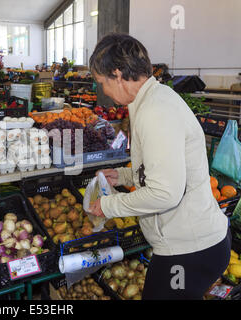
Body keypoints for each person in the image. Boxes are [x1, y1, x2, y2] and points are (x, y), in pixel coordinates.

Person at [88, 33, 230, 300]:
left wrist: (107, 206)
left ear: (117, 74)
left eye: (101, 82)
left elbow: (165, 193)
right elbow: (160, 169)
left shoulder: (156, 112)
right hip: (191, 245)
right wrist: (123, 175)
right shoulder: (150, 101)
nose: (103, 91)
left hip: (190, 251)